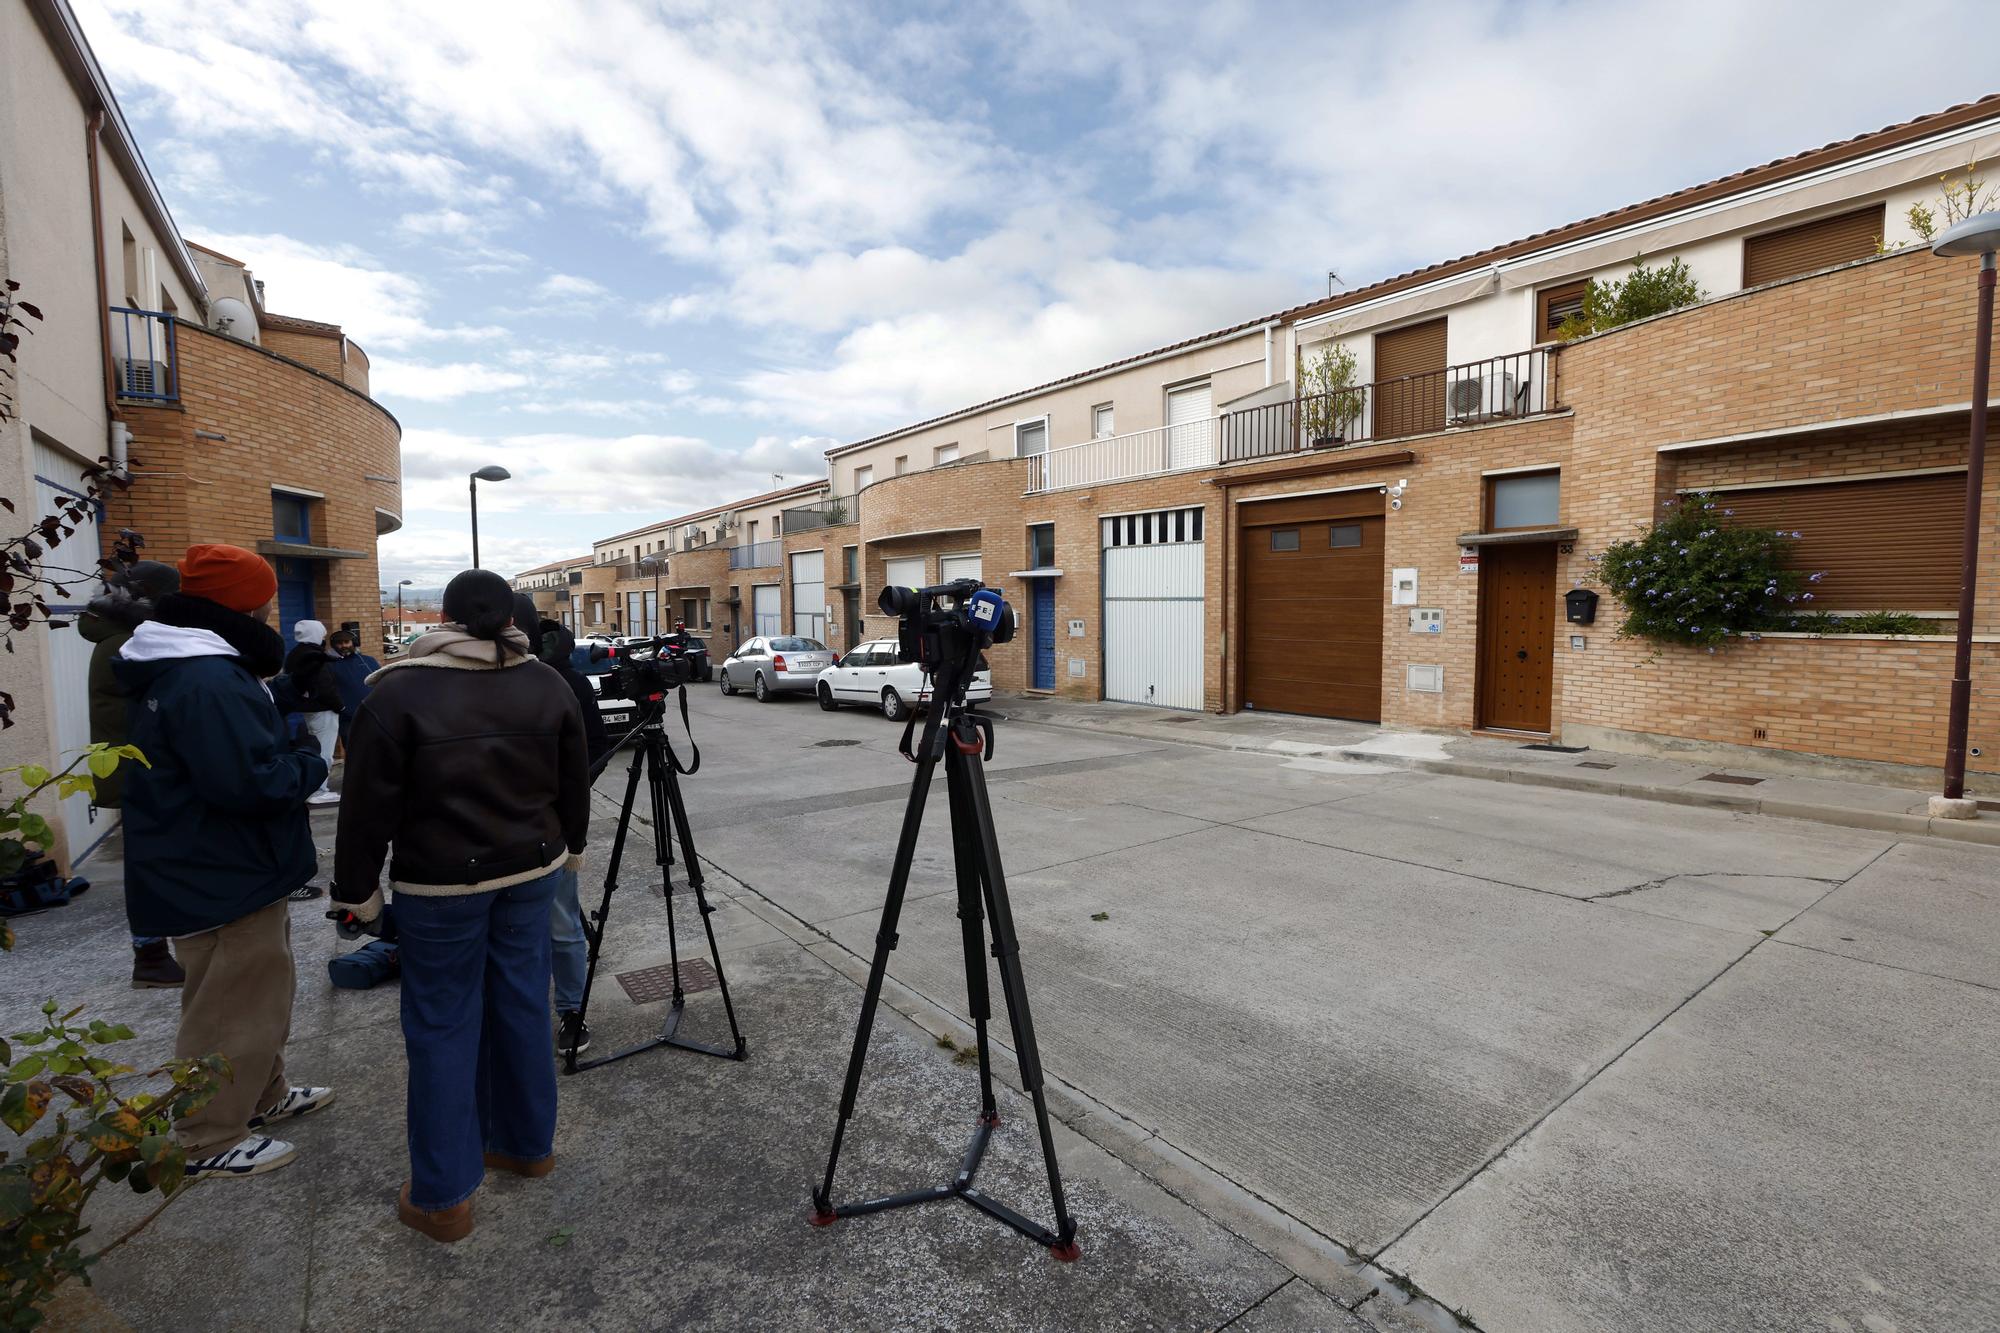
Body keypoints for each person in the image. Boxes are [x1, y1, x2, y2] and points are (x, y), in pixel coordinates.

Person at [334, 570, 589, 1243]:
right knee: (522, 1004)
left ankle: (443, 1196)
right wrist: (575, 845)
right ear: (510, 616)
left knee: (444, 1025)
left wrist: (356, 891)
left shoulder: (400, 691)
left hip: (441, 887)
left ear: (444, 615)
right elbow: (574, 778)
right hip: (533, 869)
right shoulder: (546, 682)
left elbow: (364, 808)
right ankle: (527, 1146)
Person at [117, 544, 335, 1180]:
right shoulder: (207, 679)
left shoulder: (201, 666)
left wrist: (281, 698)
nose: (271, 605)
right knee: (227, 1005)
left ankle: (261, 1096)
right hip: (221, 867)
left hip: (222, 861)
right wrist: (308, 759)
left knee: (258, 993)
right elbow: (250, 783)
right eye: (263, 596)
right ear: (243, 603)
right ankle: (208, 1135)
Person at [78, 559, 187, 988]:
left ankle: (154, 948)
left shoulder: (113, 637)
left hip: (131, 767)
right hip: (139, 769)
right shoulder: (128, 644)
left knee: (150, 859)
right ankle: (151, 954)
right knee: (148, 863)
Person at [513, 595, 606, 1057]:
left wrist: (571, 802)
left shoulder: (560, 683)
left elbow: (593, 749)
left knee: (563, 925)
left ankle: (572, 1008)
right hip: (482, 843)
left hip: (548, 831)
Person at [281, 620, 344, 806]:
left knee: (316, 748)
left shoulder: (296, 654)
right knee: (324, 751)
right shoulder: (313, 656)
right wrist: (340, 706)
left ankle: (314, 787)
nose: (324, 637)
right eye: (322, 634)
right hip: (322, 709)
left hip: (309, 708)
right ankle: (318, 790)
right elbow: (324, 686)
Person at [324, 628, 380, 747]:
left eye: (346, 642)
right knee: (353, 750)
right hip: (348, 718)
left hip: (371, 715)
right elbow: (327, 690)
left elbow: (381, 682)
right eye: (339, 643)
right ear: (334, 646)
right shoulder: (329, 665)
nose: (343, 646)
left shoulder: (368, 660)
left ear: (353, 643)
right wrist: (342, 708)